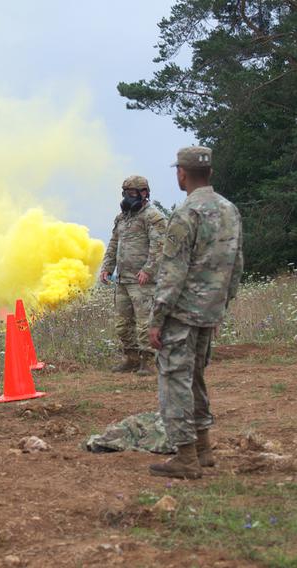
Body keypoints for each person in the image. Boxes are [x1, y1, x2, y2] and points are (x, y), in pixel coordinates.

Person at [147, 146, 243, 479]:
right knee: (197, 377)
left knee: (175, 379)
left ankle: (186, 456)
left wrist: (157, 318)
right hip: (209, 311)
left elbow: (173, 272)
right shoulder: (230, 210)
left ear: (182, 174)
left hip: (182, 314)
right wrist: (221, 307)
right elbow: (236, 265)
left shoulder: (186, 214)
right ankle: (204, 448)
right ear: (211, 174)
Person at [99, 175, 168, 376]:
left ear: (144, 193)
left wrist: (148, 270)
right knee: (122, 324)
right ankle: (131, 358)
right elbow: (113, 244)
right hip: (122, 279)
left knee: (145, 322)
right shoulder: (122, 218)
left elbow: (159, 246)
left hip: (143, 281)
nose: (128, 197)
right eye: (126, 193)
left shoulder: (153, 217)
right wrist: (107, 268)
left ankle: (149, 361)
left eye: (132, 193)